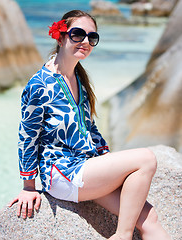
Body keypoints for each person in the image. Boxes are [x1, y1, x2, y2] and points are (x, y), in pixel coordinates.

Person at [9, 10, 171, 240]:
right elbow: (27, 137)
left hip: (87, 167)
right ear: (61, 36)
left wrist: (108, 160)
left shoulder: (79, 79)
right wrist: (29, 187)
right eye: (77, 34)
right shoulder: (39, 85)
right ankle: (122, 236)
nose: (85, 41)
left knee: (148, 219)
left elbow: (90, 129)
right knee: (146, 159)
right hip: (62, 173)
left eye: (92, 37)